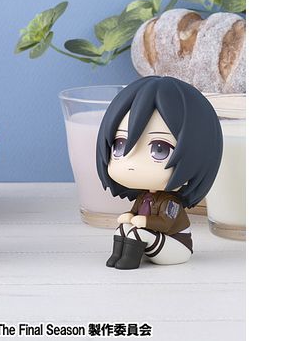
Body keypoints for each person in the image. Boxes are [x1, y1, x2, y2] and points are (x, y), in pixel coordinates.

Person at [96, 76, 223, 269]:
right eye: (119, 145)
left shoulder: (172, 203)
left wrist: (144, 221)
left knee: (138, 232)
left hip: (176, 244)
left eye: (160, 149)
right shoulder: (143, 197)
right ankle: (117, 257)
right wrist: (130, 216)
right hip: (155, 240)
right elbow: (135, 212)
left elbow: (165, 224)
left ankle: (129, 261)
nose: (132, 164)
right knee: (123, 228)